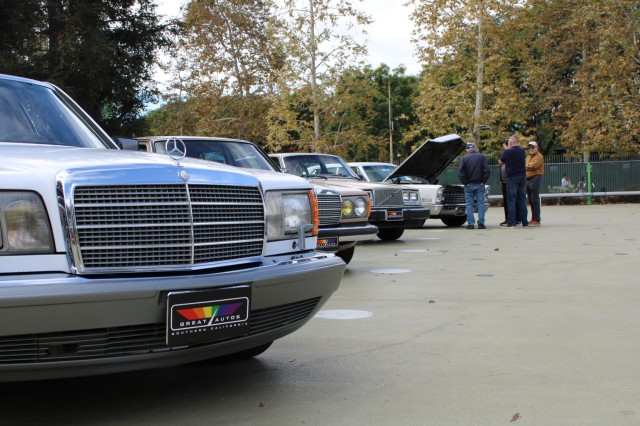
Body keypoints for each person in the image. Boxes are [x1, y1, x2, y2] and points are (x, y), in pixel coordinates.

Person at [457, 143, 491, 229]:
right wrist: (483, 181)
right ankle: (481, 223)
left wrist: (465, 183)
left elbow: (461, 173)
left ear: (467, 150)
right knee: (480, 203)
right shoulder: (482, 157)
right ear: (474, 149)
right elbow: (487, 170)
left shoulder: (464, 159)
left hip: (469, 185)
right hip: (480, 184)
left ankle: (471, 224)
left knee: (469, 204)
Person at [498, 135, 529, 228]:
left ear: (510, 143)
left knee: (511, 200)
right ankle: (525, 222)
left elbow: (500, 162)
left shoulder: (508, 151)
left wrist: (506, 152)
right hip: (522, 177)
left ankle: (511, 222)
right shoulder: (522, 151)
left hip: (512, 177)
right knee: (522, 200)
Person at [525, 141, 544, 227]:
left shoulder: (539, 156)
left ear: (537, 148)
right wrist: (527, 166)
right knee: (531, 200)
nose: (531, 149)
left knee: (535, 200)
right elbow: (528, 165)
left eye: (533, 147)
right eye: (529, 147)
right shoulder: (528, 156)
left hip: (535, 178)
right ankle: (533, 219)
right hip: (528, 179)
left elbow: (533, 166)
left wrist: (525, 166)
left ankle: (537, 219)